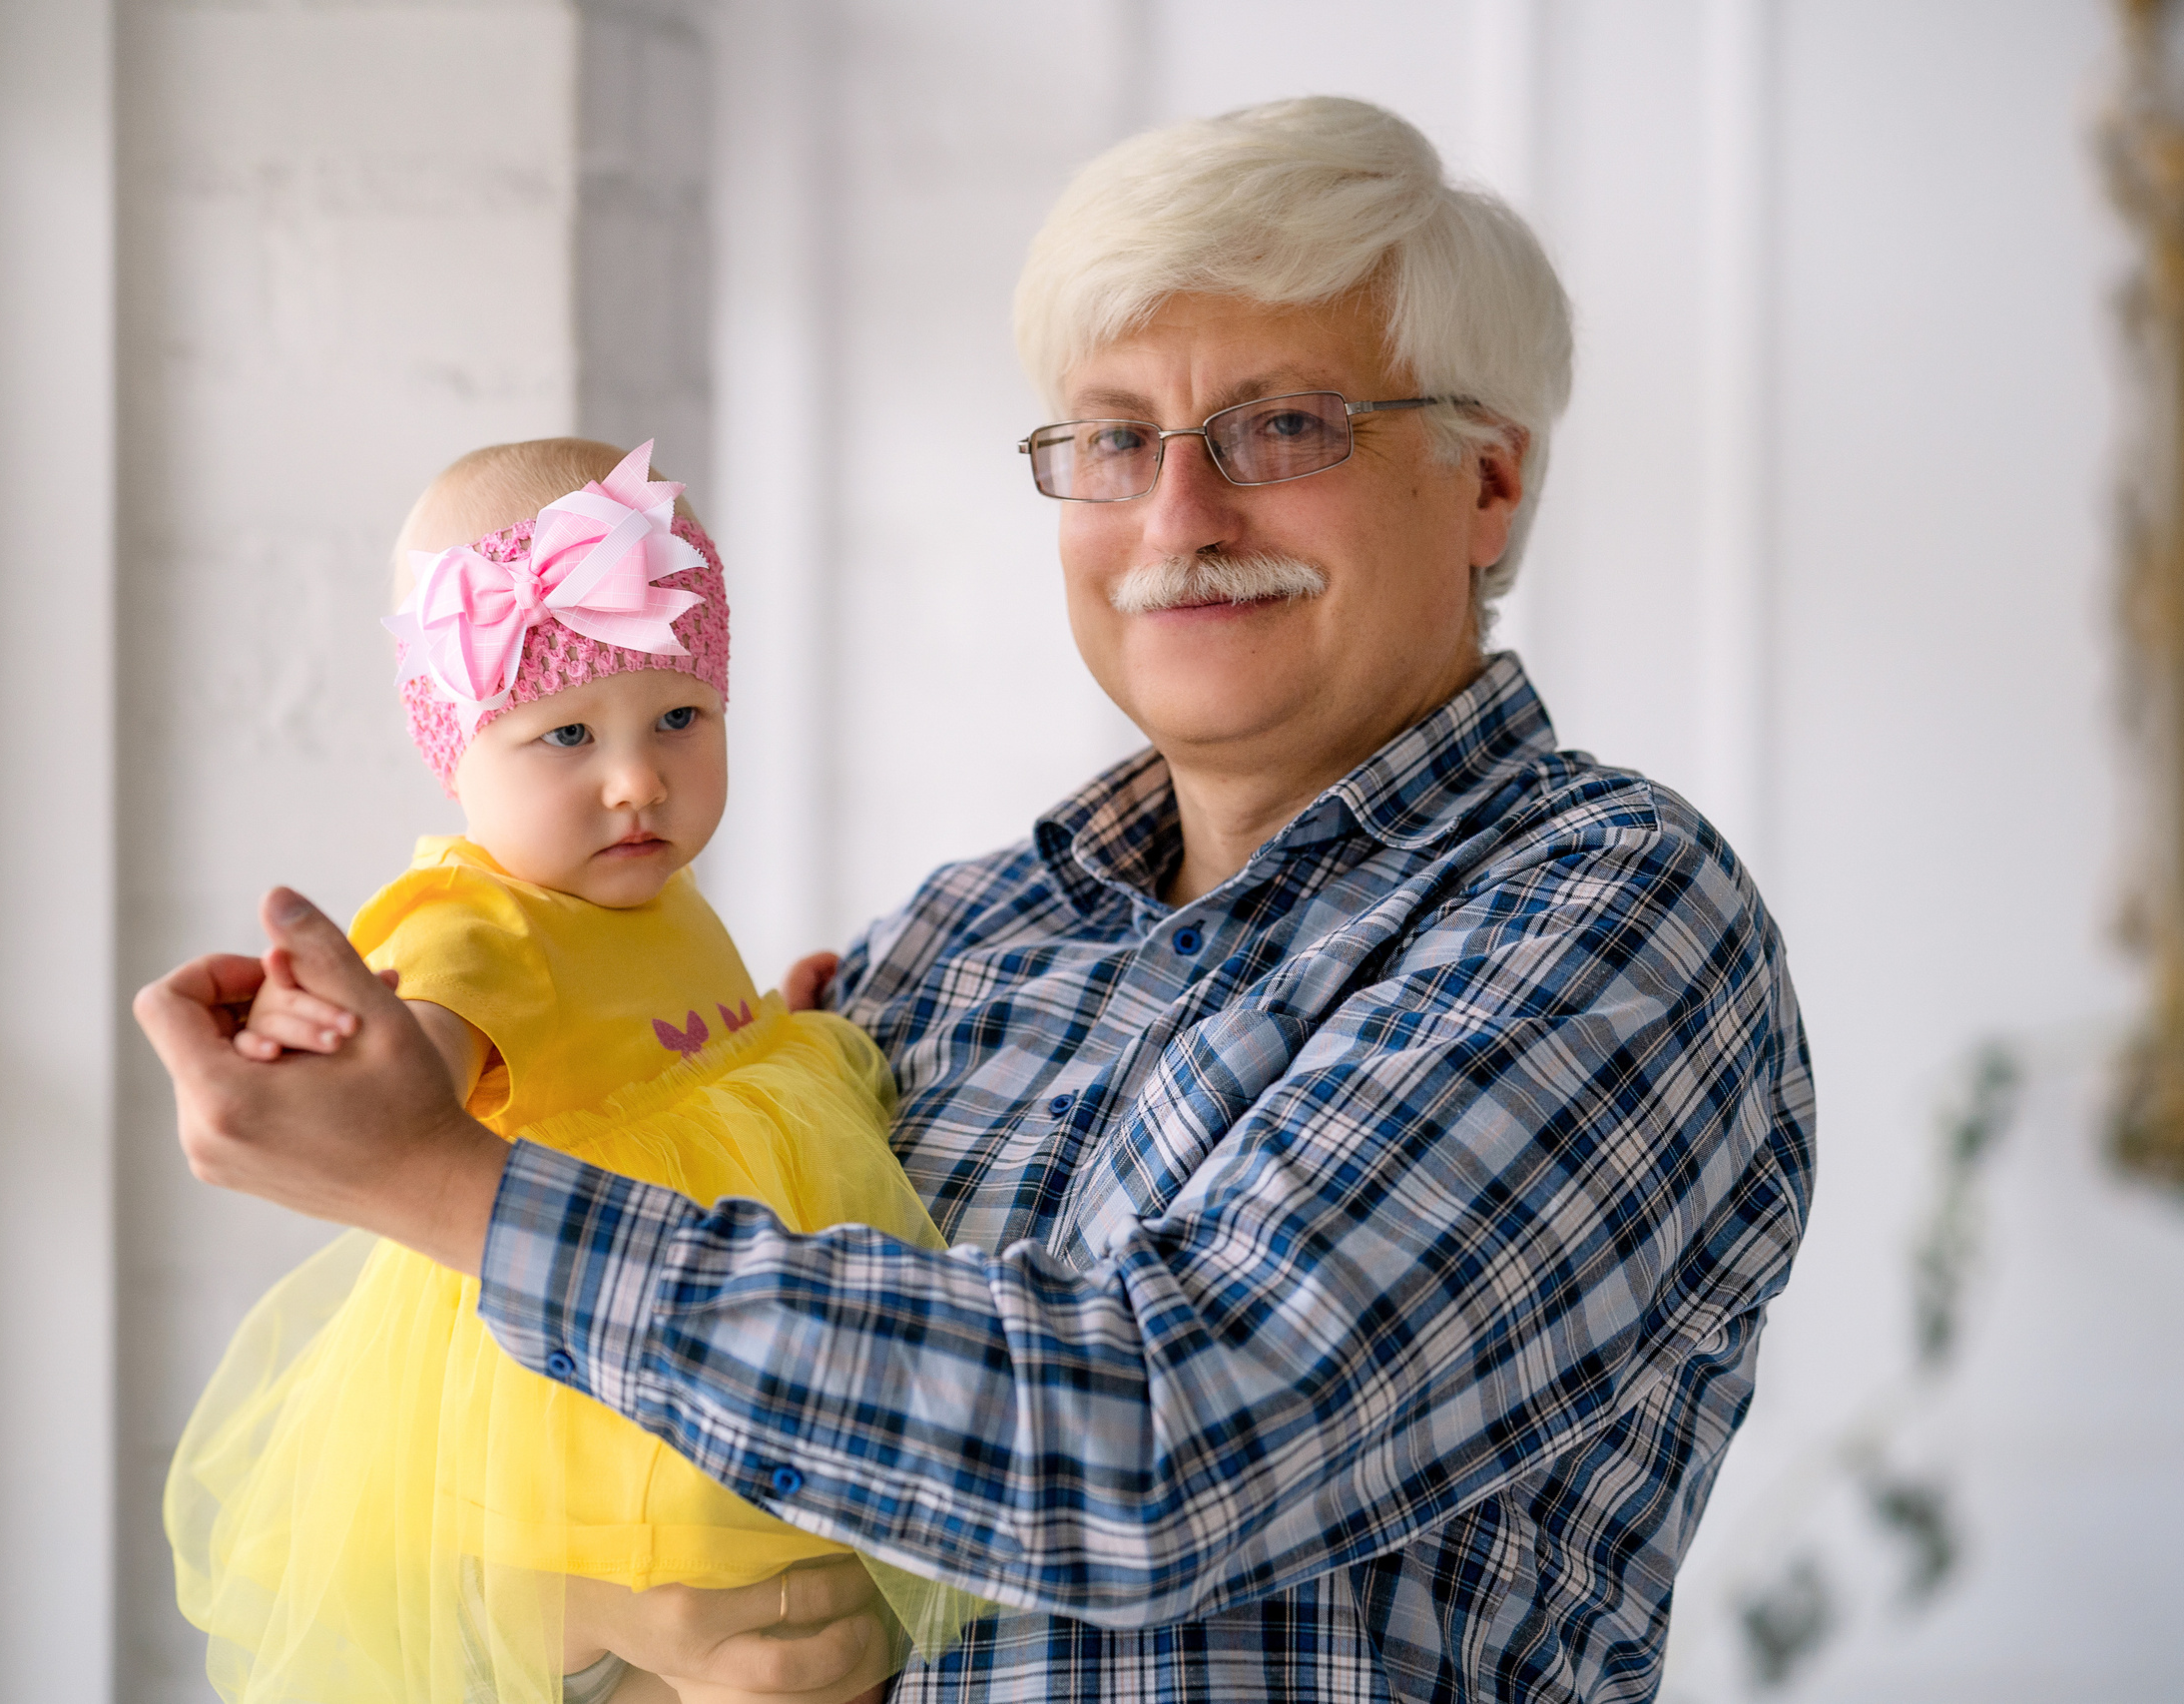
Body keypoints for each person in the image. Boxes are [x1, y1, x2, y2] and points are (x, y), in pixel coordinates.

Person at [137, 97, 1815, 1702]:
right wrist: (610, 1626)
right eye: (1112, 437)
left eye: (1283, 425)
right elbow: (660, 1459)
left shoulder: (1605, 915)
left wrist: (447, 1184)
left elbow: (1166, 1442)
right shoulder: (956, 941)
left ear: (1488, 484)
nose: (1179, 514)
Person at [167, 437, 982, 1704]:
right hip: (582, 1382)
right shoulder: (472, 923)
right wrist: (320, 1040)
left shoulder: (646, 886)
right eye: (562, 735)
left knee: (784, 1633)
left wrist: (773, 1034)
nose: (635, 778)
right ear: (457, 753)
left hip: (702, 1321)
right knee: (721, 1620)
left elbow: (646, 1048)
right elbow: (420, 1062)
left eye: (678, 716)